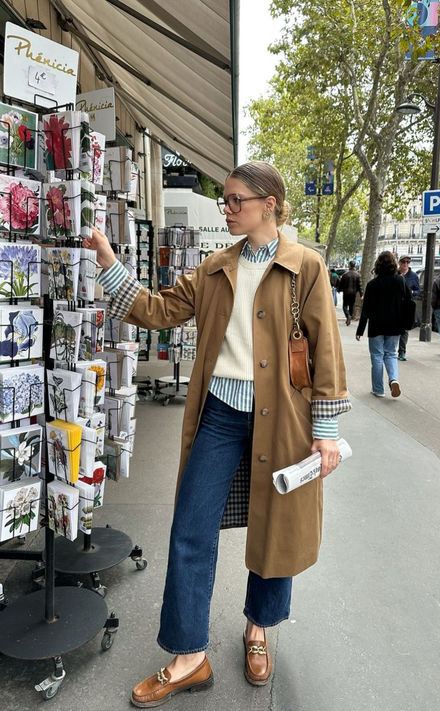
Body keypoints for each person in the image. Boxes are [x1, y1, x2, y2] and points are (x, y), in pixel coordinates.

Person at [84, 160, 351, 708]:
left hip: (286, 420)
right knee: (191, 528)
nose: (226, 209)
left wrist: (325, 433)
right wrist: (109, 262)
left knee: (278, 529)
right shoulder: (212, 269)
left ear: (269, 204)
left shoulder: (307, 267)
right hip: (223, 415)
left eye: (235, 200)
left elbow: (326, 351)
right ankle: (188, 656)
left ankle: (258, 628)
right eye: (224, 200)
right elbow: (156, 311)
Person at [355, 251, 412, 398]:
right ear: (394, 264)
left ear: (378, 265)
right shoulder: (400, 280)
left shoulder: (372, 285)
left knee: (377, 356)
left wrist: (360, 330)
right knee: (391, 354)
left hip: (376, 325)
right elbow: (409, 301)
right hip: (395, 324)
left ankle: (378, 389)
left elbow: (365, 310)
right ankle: (393, 379)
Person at [397, 255, 420, 361]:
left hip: (407, 307)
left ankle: (402, 351)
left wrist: (411, 292)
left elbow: (418, 291)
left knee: (404, 330)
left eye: (408, 262)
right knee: (394, 328)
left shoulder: (414, 276)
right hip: (395, 305)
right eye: (403, 262)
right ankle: (390, 350)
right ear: (399, 263)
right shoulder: (395, 274)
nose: (406, 264)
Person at [338, 261, 363, 325]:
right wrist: (361, 294)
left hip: (346, 292)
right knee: (351, 306)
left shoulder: (345, 275)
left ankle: (348, 316)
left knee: (345, 306)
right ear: (354, 266)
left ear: (349, 265)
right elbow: (360, 285)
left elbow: (341, 284)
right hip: (353, 293)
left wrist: (339, 289)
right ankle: (349, 316)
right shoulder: (358, 275)